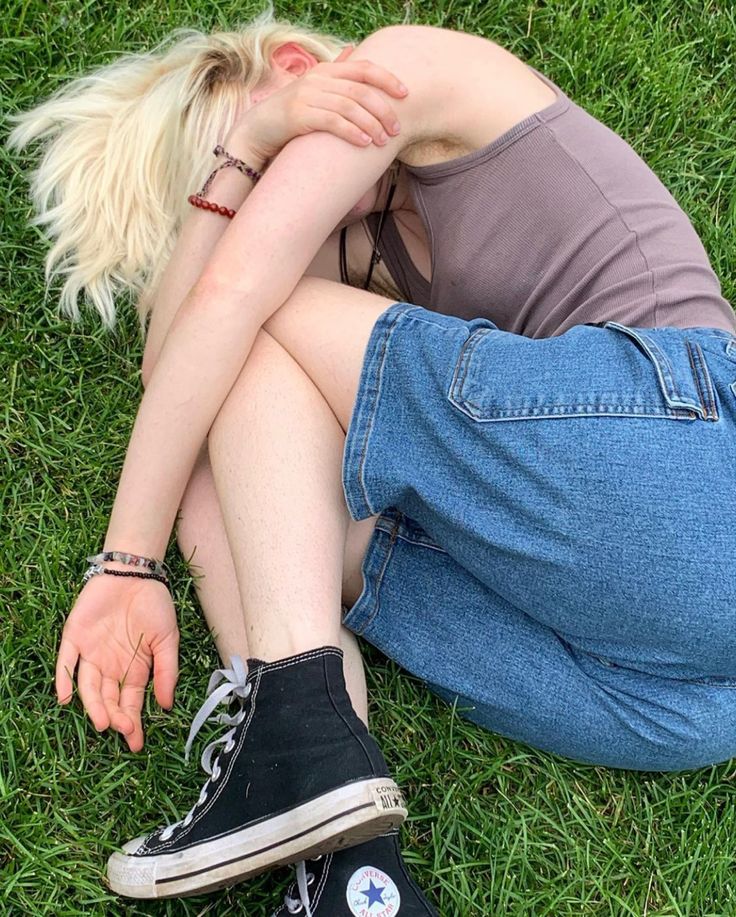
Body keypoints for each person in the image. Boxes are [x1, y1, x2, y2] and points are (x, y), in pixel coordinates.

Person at [10, 7, 736, 914]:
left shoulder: (407, 68)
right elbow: (181, 365)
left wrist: (127, 562)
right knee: (228, 468)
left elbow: (223, 303)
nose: (259, 207)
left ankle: (297, 732)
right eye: (240, 188)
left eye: (261, 175)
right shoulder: (359, 254)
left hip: (702, 467)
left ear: (293, 65)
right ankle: (350, 863)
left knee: (243, 324)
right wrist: (249, 147)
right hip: (683, 700)